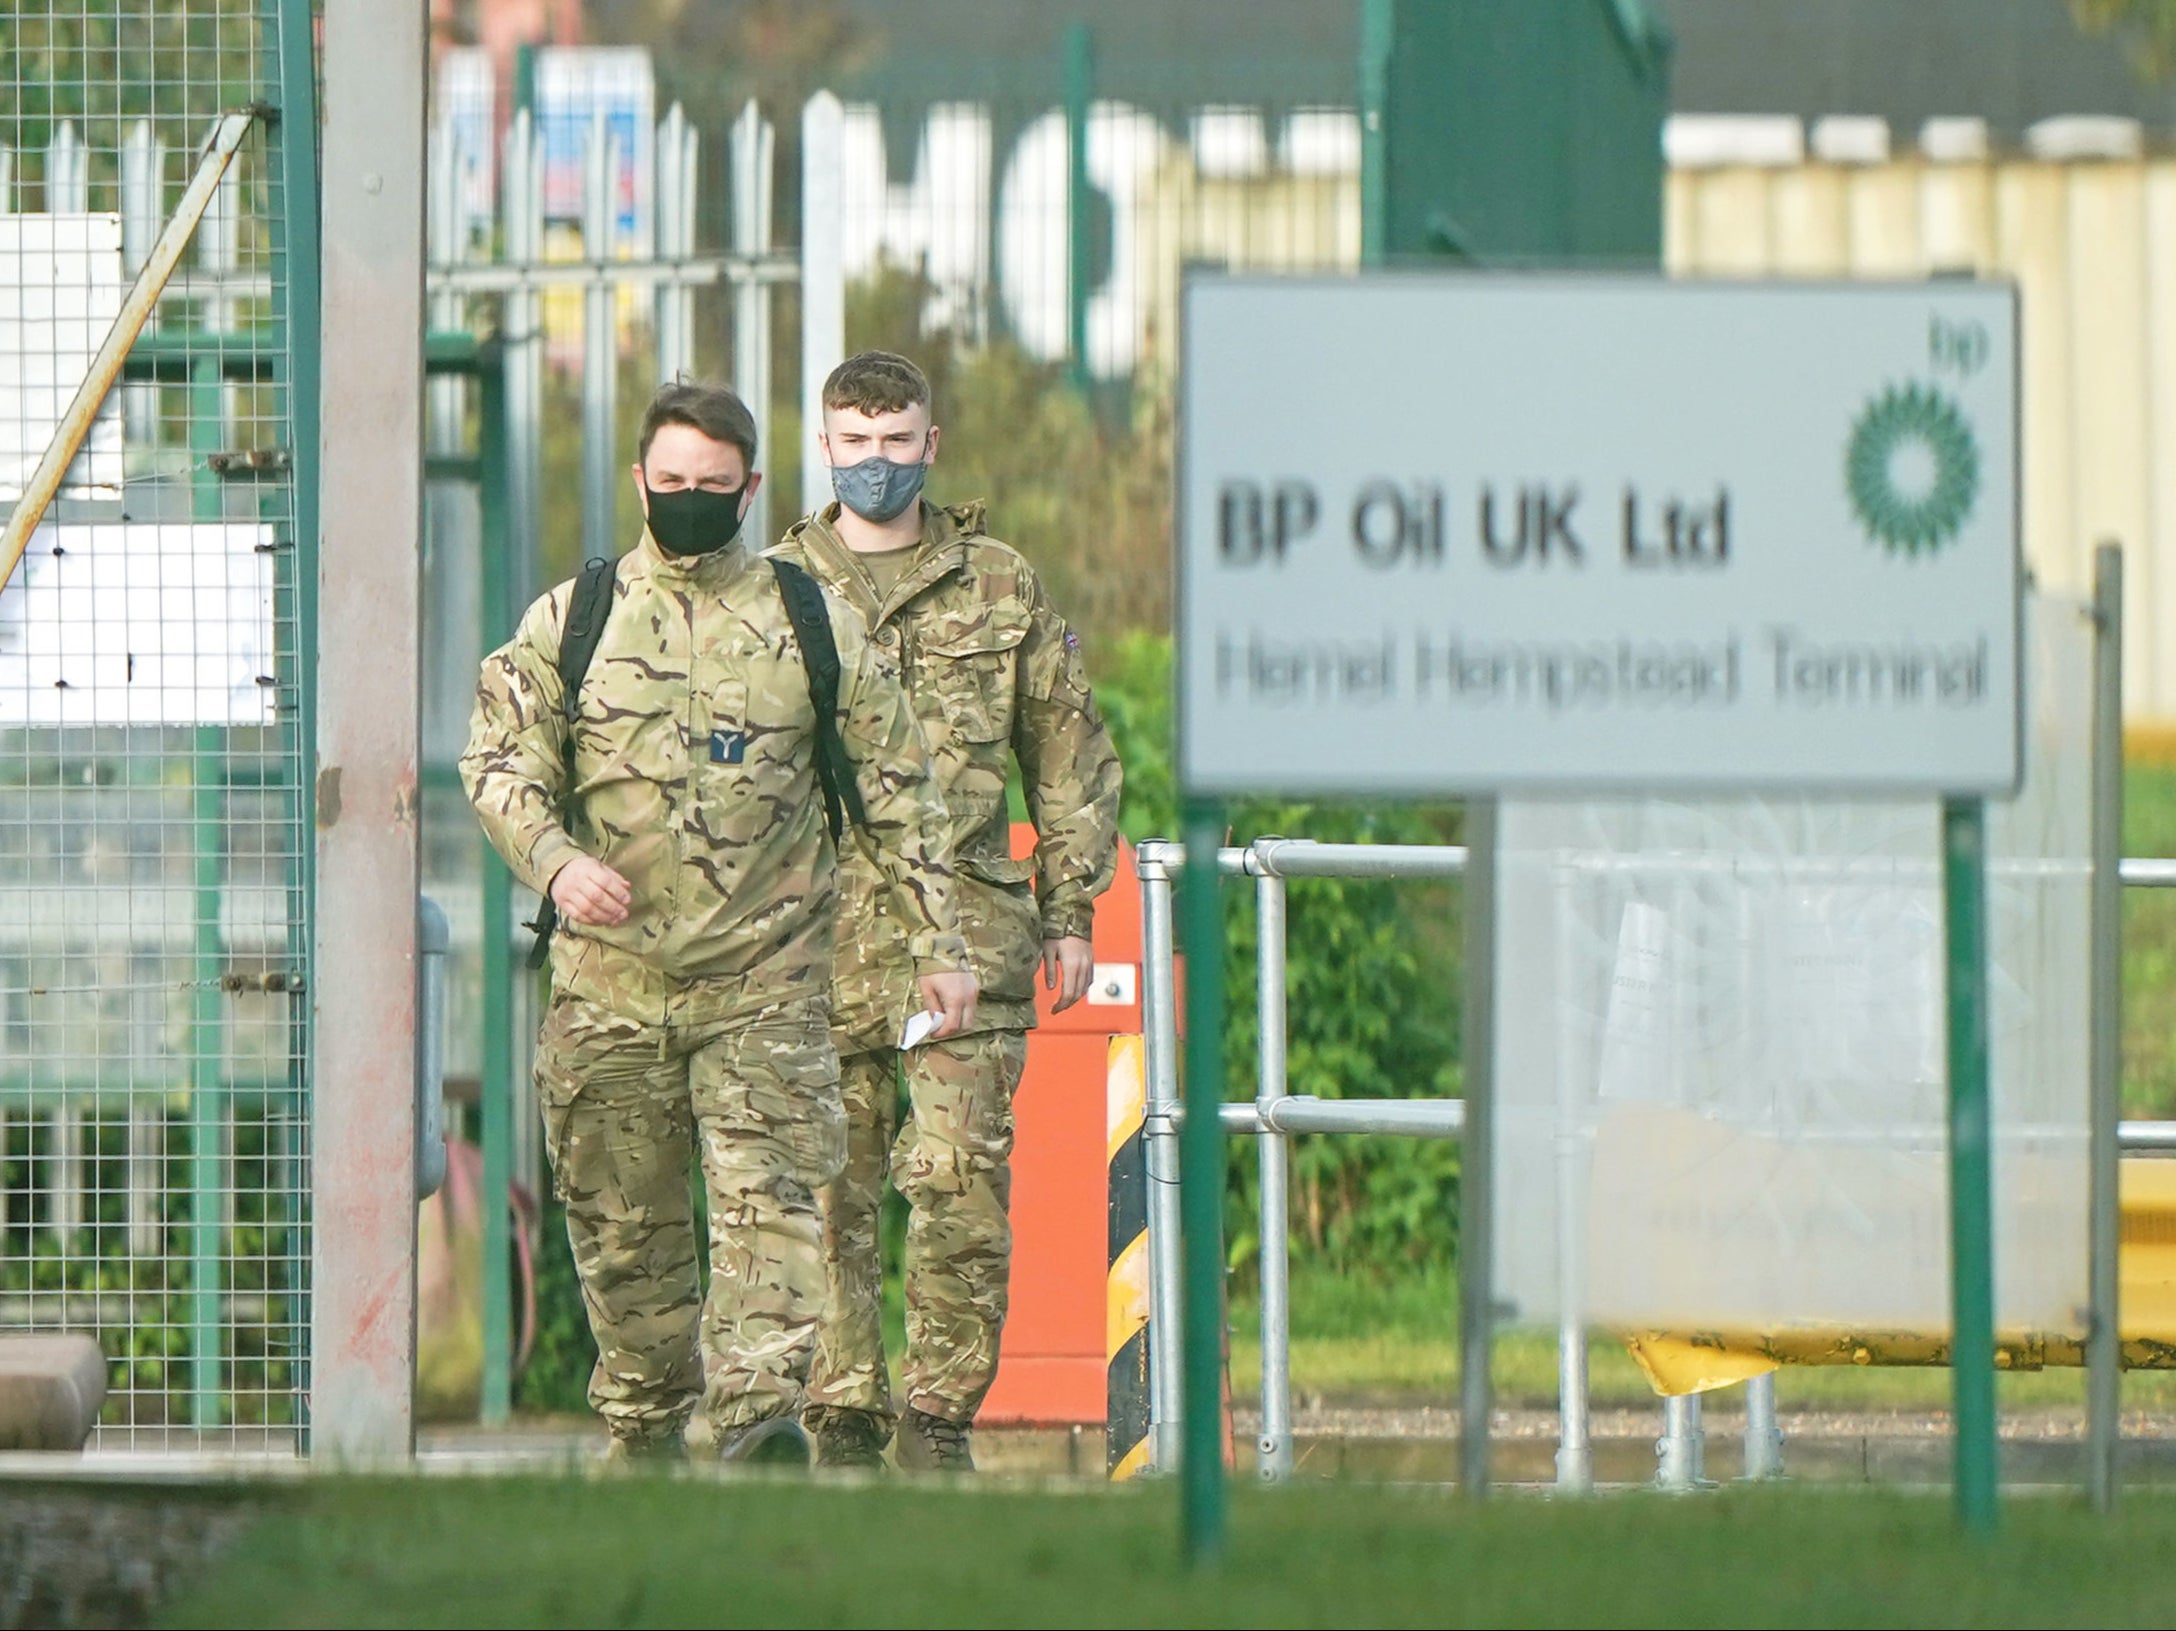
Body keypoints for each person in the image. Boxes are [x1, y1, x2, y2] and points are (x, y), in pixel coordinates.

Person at [460, 379, 978, 1468]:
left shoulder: (807, 621)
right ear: (638, 481)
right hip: (608, 994)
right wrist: (555, 864)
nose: (689, 499)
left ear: (748, 488)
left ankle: (758, 1428)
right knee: (624, 1239)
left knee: (774, 1222)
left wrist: (942, 945)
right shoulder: (572, 620)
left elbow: (900, 791)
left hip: (767, 994)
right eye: (670, 481)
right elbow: (498, 763)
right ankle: (646, 1428)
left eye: (712, 484)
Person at [770, 350, 1123, 1472]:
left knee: (959, 1181)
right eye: (856, 441)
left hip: (967, 933)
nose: (877, 462)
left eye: (897, 440)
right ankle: (840, 1414)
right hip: (810, 943)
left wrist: (1070, 909)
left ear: (933, 444)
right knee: (827, 1188)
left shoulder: (1001, 586)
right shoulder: (769, 587)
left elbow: (1065, 754)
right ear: (826, 447)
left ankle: (936, 1421)